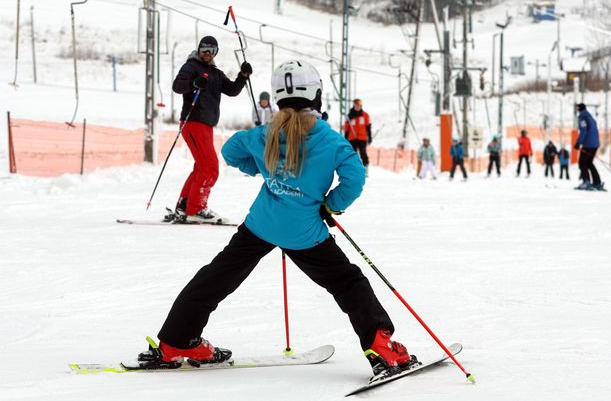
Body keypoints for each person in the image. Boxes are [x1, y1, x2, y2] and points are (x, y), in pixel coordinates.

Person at [138, 60, 414, 380]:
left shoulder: (265, 133)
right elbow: (355, 178)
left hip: (261, 225)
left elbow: (230, 152)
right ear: (316, 95)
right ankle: (381, 347)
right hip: (305, 232)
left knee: (216, 278)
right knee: (348, 283)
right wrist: (331, 206)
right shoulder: (330, 139)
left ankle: (176, 342)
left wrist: (263, 168)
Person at [166, 36, 253, 223]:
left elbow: (232, 90)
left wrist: (242, 76)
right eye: (205, 49)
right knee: (210, 167)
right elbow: (177, 86)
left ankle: (185, 205)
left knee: (201, 167)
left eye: (212, 51)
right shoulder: (190, 67)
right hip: (193, 121)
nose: (207, 53)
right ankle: (196, 209)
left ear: (215, 53)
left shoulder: (216, 73)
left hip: (206, 124)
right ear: (199, 49)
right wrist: (194, 83)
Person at [574, 103, 602, 190]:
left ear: (579, 109)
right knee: (589, 163)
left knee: (582, 163)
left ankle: (586, 182)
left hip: (588, 144)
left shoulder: (582, 118)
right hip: (595, 144)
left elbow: (583, 131)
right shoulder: (590, 117)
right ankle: (597, 182)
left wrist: (578, 143)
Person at [344, 98, 372, 174]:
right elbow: (346, 128)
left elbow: (368, 127)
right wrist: (345, 138)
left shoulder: (365, 115)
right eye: (356, 105)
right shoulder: (350, 116)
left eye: (359, 105)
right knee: (353, 154)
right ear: (354, 105)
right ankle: (353, 169)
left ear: (361, 106)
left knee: (363, 153)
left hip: (362, 138)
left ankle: (365, 169)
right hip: (352, 138)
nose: (357, 107)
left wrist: (369, 137)